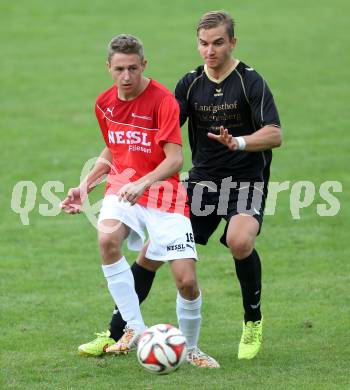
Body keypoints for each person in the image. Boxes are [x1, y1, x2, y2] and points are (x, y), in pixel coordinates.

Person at [83, 10, 282, 361]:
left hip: (246, 183)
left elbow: (274, 134)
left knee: (239, 241)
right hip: (203, 183)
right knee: (150, 254)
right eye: (204, 44)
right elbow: (145, 133)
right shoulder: (189, 84)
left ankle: (253, 320)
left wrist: (237, 142)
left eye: (218, 43)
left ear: (232, 42)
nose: (210, 50)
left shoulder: (251, 81)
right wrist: (103, 169)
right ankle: (117, 331)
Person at [61, 34, 219, 368]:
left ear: (144, 65)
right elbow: (113, 149)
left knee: (187, 282)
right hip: (124, 187)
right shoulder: (104, 103)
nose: (127, 76)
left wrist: (145, 181)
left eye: (133, 68)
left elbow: (175, 159)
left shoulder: (163, 101)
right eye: (119, 69)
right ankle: (135, 328)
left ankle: (191, 349)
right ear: (109, 67)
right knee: (107, 239)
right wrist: (85, 186)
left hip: (164, 193)